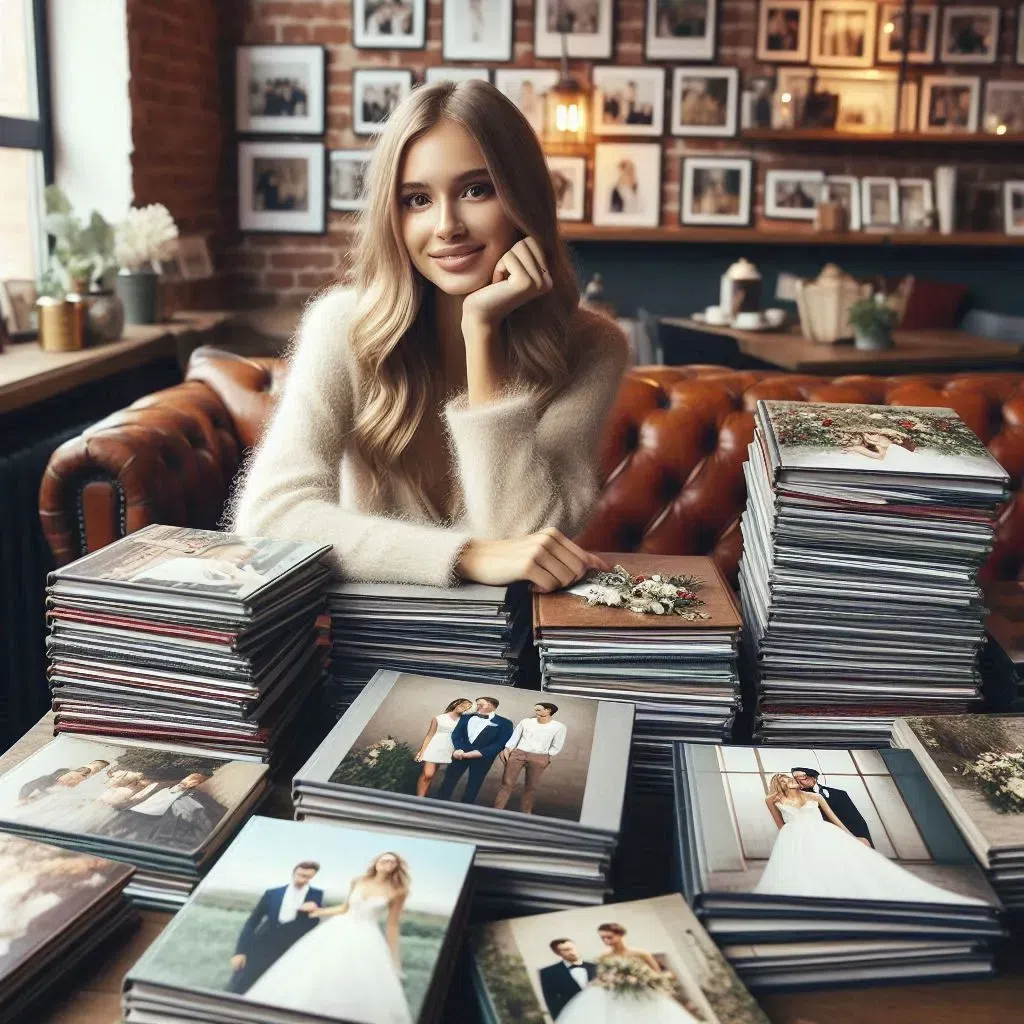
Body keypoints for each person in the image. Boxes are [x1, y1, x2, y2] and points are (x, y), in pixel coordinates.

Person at [227, 79, 627, 593]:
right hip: (370, 639)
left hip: (508, 645)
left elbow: (524, 537)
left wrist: (482, 332)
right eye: (417, 199)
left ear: (523, 196)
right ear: (392, 217)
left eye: (476, 190)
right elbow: (270, 516)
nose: (446, 226)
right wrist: (467, 556)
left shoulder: (592, 346)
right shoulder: (342, 325)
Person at [753, 774, 986, 904]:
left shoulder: (814, 796)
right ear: (778, 783)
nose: (791, 779)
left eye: (792, 777)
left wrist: (852, 837)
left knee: (841, 864)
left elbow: (835, 819)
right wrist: (789, 837)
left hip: (822, 831)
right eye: (784, 778)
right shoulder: (771, 800)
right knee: (801, 870)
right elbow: (779, 824)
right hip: (793, 835)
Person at [245, 852, 413, 1023]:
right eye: (384, 859)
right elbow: (345, 908)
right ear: (376, 862)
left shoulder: (398, 891)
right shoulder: (358, 881)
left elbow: (393, 925)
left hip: (367, 936)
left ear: (396, 867)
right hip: (339, 928)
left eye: (392, 862)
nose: (387, 863)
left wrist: (395, 961)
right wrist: (319, 911)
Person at [557, 922, 698, 1023]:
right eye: (603, 938)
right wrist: (606, 980)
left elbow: (657, 974)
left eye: (609, 937)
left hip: (640, 991)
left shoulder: (640, 953)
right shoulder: (603, 957)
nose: (606, 941)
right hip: (616, 994)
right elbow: (601, 976)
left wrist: (638, 978)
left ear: (620, 935)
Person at [229, 861, 324, 994]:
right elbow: (252, 922)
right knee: (240, 986)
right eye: (300, 875)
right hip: (261, 946)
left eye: (308, 877)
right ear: (294, 872)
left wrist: (313, 912)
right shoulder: (272, 893)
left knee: (274, 991)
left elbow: (312, 925)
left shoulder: (316, 894)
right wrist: (240, 952)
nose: (302, 880)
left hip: (289, 951)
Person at [436, 696, 514, 804]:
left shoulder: (505, 723)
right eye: (477, 704)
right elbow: (456, 734)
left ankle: (465, 809)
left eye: (480, 704)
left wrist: (481, 753)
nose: (476, 706)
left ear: (491, 705)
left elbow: (501, 743)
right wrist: (458, 749)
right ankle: (438, 804)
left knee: (474, 784)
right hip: (461, 754)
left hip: (483, 758)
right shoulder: (465, 717)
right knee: (449, 780)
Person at [493, 701, 566, 814]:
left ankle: (526, 815)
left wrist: (545, 757)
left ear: (548, 710)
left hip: (539, 757)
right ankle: (496, 812)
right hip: (518, 754)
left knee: (531, 787)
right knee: (507, 784)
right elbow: (514, 738)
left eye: (538, 709)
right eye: (535, 709)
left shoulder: (559, 727)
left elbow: (557, 745)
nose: (535, 712)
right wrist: (508, 749)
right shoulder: (526, 722)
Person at [791, 767, 872, 846]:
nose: (799, 781)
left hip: (849, 838)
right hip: (822, 841)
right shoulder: (798, 799)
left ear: (813, 778)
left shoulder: (839, 794)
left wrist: (863, 838)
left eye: (802, 778)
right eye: (795, 779)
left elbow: (855, 819)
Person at [413, 697, 473, 797]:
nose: (462, 708)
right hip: (434, 746)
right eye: (462, 705)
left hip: (447, 749)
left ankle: (422, 795)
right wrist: (421, 752)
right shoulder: (439, 718)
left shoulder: (463, 721)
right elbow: (429, 735)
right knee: (428, 774)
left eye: (466, 708)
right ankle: (419, 799)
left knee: (431, 776)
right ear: (456, 704)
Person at [539, 937, 597, 1020]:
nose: (572, 952)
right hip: (574, 1017)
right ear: (557, 953)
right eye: (566, 950)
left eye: (573, 948)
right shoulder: (549, 973)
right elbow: (551, 1001)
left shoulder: (595, 966)